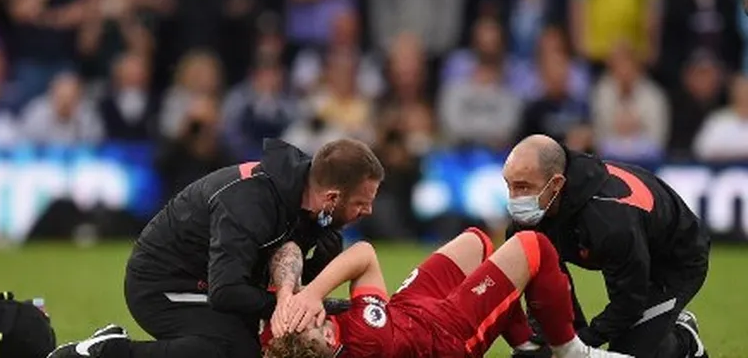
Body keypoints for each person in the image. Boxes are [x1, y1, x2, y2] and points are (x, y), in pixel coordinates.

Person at [49, 138, 385, 358]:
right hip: (163, 285)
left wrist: (310, 301)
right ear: (332, 197)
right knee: (233, 352)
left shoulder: (313, 210)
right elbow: (227, 292)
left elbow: (294, 277)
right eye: (361, 203)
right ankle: (107, 351)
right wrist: (289, 307)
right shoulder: (250, 204)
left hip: (213, 281)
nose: (367, 212)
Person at [262, 229, 633, 358]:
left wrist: (287, 297)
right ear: (327, 337)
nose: (304, 315)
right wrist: (311, 292)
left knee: (477, 242)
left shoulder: (299, 343)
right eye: (308, 321)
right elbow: (365, 255)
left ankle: (525, 347)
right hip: (446, 335)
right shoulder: (365, 339)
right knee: (532, 246)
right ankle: (569, 349)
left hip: (408, 313)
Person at [502, 134, 710, 358]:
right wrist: (558, 340)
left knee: (627, 353)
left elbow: (629, 300)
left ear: (556, 184)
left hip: (676, 258)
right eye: (509, 186)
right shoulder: (529, 219)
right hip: (628, 245)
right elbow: (545, 288)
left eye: (523, 187)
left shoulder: (610, 220)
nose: (514, 199)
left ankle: (684, 340)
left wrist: (582, 343)